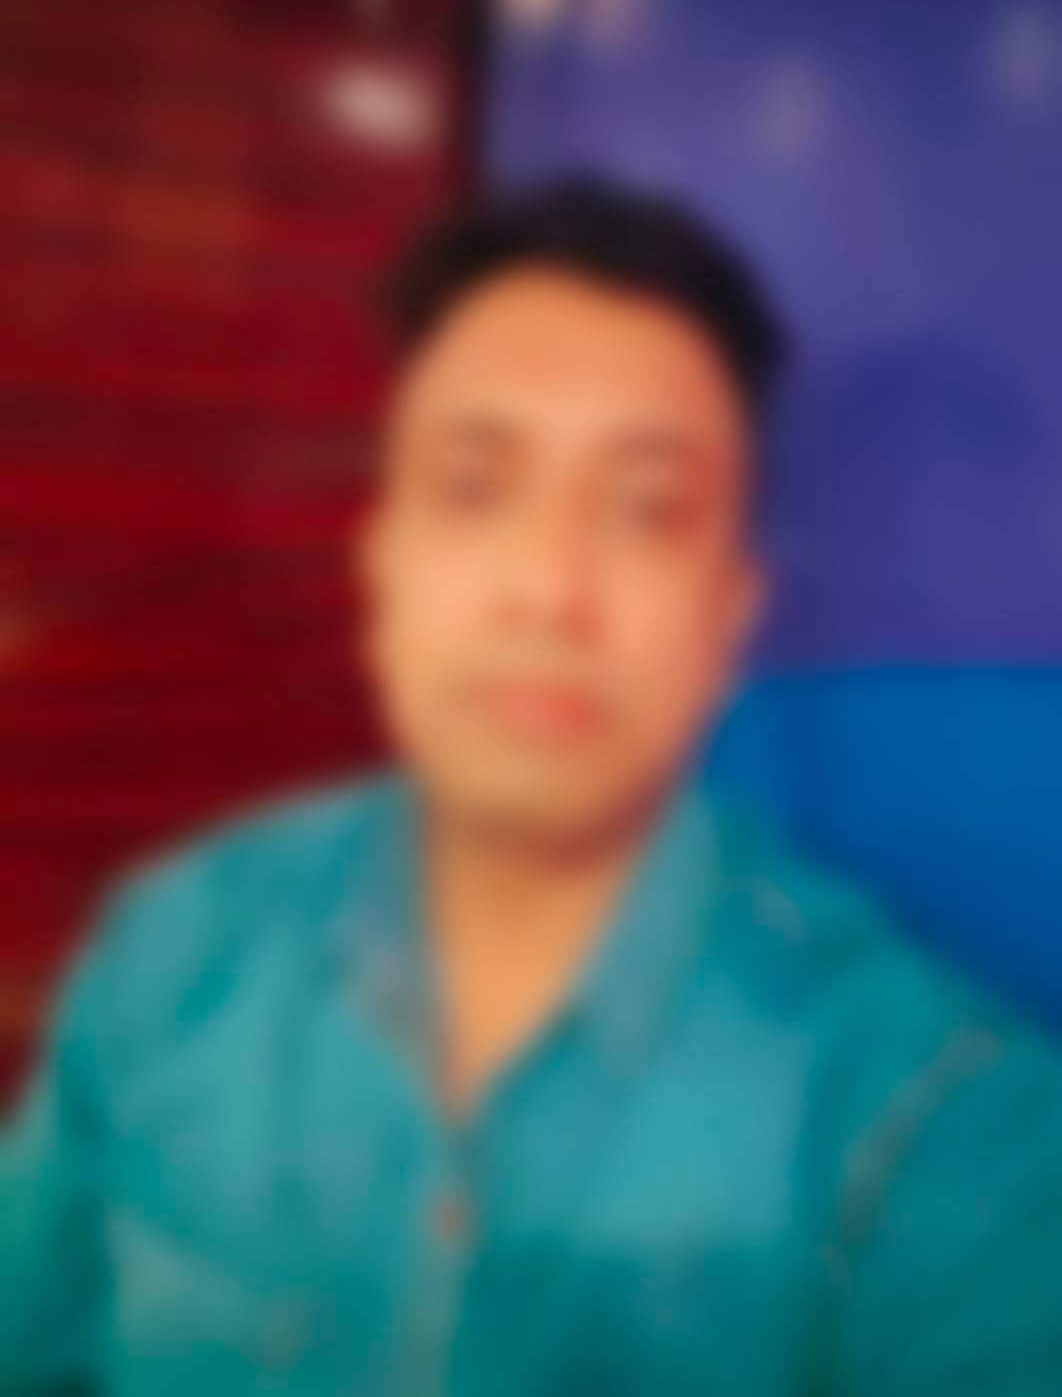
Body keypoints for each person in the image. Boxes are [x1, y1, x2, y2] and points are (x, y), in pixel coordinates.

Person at [2, 176, 1061, 1396]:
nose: (551, 590)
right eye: (474, 486)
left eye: (648, 511)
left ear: (730, 614)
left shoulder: (937, 1126)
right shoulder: (173, 953)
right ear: (381, 560)